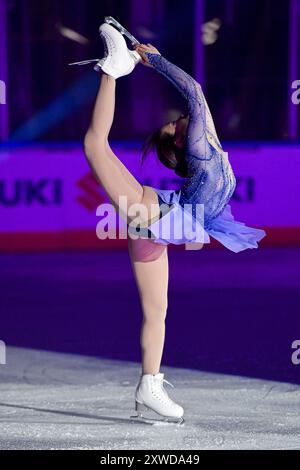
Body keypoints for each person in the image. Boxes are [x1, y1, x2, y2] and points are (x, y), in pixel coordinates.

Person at [83, 22, 266, 423]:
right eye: (176, 123)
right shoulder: (200, 144)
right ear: (184, 140)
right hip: (157, 217)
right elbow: (195, 93)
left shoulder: (206, 141)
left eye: (176, 121)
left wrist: (154, 60)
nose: (181, 118)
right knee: (95, 145)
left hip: (161, 221)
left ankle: (148, 386)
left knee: (157, 311)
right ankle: (112, 70)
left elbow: (197, 99)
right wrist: (155, 61)